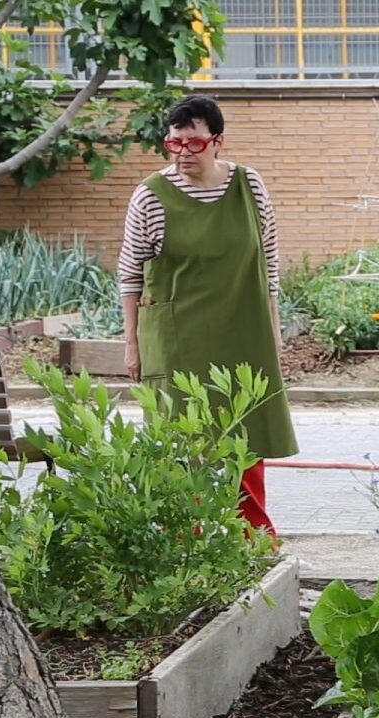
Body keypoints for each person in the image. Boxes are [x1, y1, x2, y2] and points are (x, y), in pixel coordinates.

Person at [116, 94, 298, 536]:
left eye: (193, 144)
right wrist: (132, 343)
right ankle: (187, 540)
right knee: (182, 441)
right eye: (174, 144)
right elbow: (129, 272)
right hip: (178, 336)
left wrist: (272, 330)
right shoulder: (150, 196)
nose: (182, 154)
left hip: (243, 328)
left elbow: (268, 261)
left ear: (217, 141)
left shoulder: (249, 186)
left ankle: (254, 537)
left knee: (247, 433)